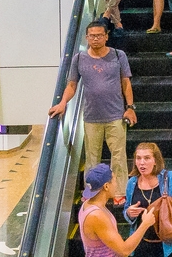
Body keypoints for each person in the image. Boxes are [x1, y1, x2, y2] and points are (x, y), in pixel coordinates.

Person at [48, 17, 135, 172]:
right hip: (91, 117)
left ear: (106, 36)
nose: (95, 38)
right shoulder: (79, 58)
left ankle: (120, 194)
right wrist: (62, 103)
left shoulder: (118, 55)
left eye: (99, 35)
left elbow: (126, 83)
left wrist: (130, 107)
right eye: (92, 35)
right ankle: (91, 194)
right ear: (86, 37)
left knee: (119, 158)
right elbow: (72, 85)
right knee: (92, 160)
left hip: (116, 116)